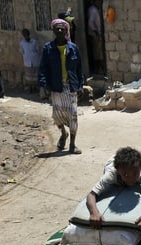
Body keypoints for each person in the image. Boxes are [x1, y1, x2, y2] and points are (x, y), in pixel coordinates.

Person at [38, 19, 83, 154]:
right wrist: (43, 84)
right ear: (53, 31)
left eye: (62, 29)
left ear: (66, 31)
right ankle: (63, 133)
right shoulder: (48, 48)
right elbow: (43, 68)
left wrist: (81, 85)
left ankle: (72, 145)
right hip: (56, 86)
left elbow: (79, 69)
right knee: (57, 116)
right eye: (57, 28)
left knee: (73, 115)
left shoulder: (73, 48)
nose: (59, 31)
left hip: (71, 86)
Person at [86, 146, 141, 230]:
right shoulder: (111, 175)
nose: (131, 179)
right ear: (118, 171)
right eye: (125, 175)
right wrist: (94, 212)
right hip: (112, 162)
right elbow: (91, 195)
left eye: (135, 174)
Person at [87, 0, 104, 74]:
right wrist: (97, 33)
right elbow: (90, 23)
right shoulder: (93, 10)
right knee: (98, 53)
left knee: (97, 52)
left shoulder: (92, 9)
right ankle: (99, 69)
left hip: (94, 33)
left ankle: (98, 69)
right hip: (96, 34)